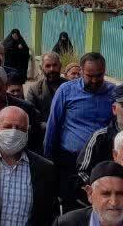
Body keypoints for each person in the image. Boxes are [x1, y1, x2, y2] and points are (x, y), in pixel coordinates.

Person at [43, 52, 116, 205]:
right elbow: (53, 125)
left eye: (99, 75)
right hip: (70, 161)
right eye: (90, 76)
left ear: (104, 71)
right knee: (71, 203)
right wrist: (48, 160)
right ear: (81, 71)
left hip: (101, 161)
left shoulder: (113, 93)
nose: (94, 80)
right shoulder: (66, 91)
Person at [24, 51, 66, 122]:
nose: (52, 69)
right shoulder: (34, 90)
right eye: (48, 66)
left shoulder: (70, 86)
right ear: (41, 68)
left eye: (55, 65)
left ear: (60, 66)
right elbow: (32, 115)